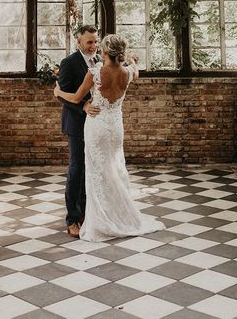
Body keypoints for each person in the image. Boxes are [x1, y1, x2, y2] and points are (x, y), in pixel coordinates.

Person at [54, 34, 165, 242]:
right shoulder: (128, 73)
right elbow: (137, 71)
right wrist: (132, 61)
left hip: (97, 126)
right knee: (114, 169)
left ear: (104, 52)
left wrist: (59, 92)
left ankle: (98, 218)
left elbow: (77, 98)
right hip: (115, 128)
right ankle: (116, 214)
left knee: (96, 171)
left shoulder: (95, 73)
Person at [57, 25, 101, 238]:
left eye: (95, 41)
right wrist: (82, 105)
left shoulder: (101, 60)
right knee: (76, 168)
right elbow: (61, 94)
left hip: (96, 124)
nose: (93, 46)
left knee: (90, 167)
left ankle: (85, 212)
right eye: (89, 42)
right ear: (79, 42)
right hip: (76, 123)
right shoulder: (69, 63)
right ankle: (72, 218)